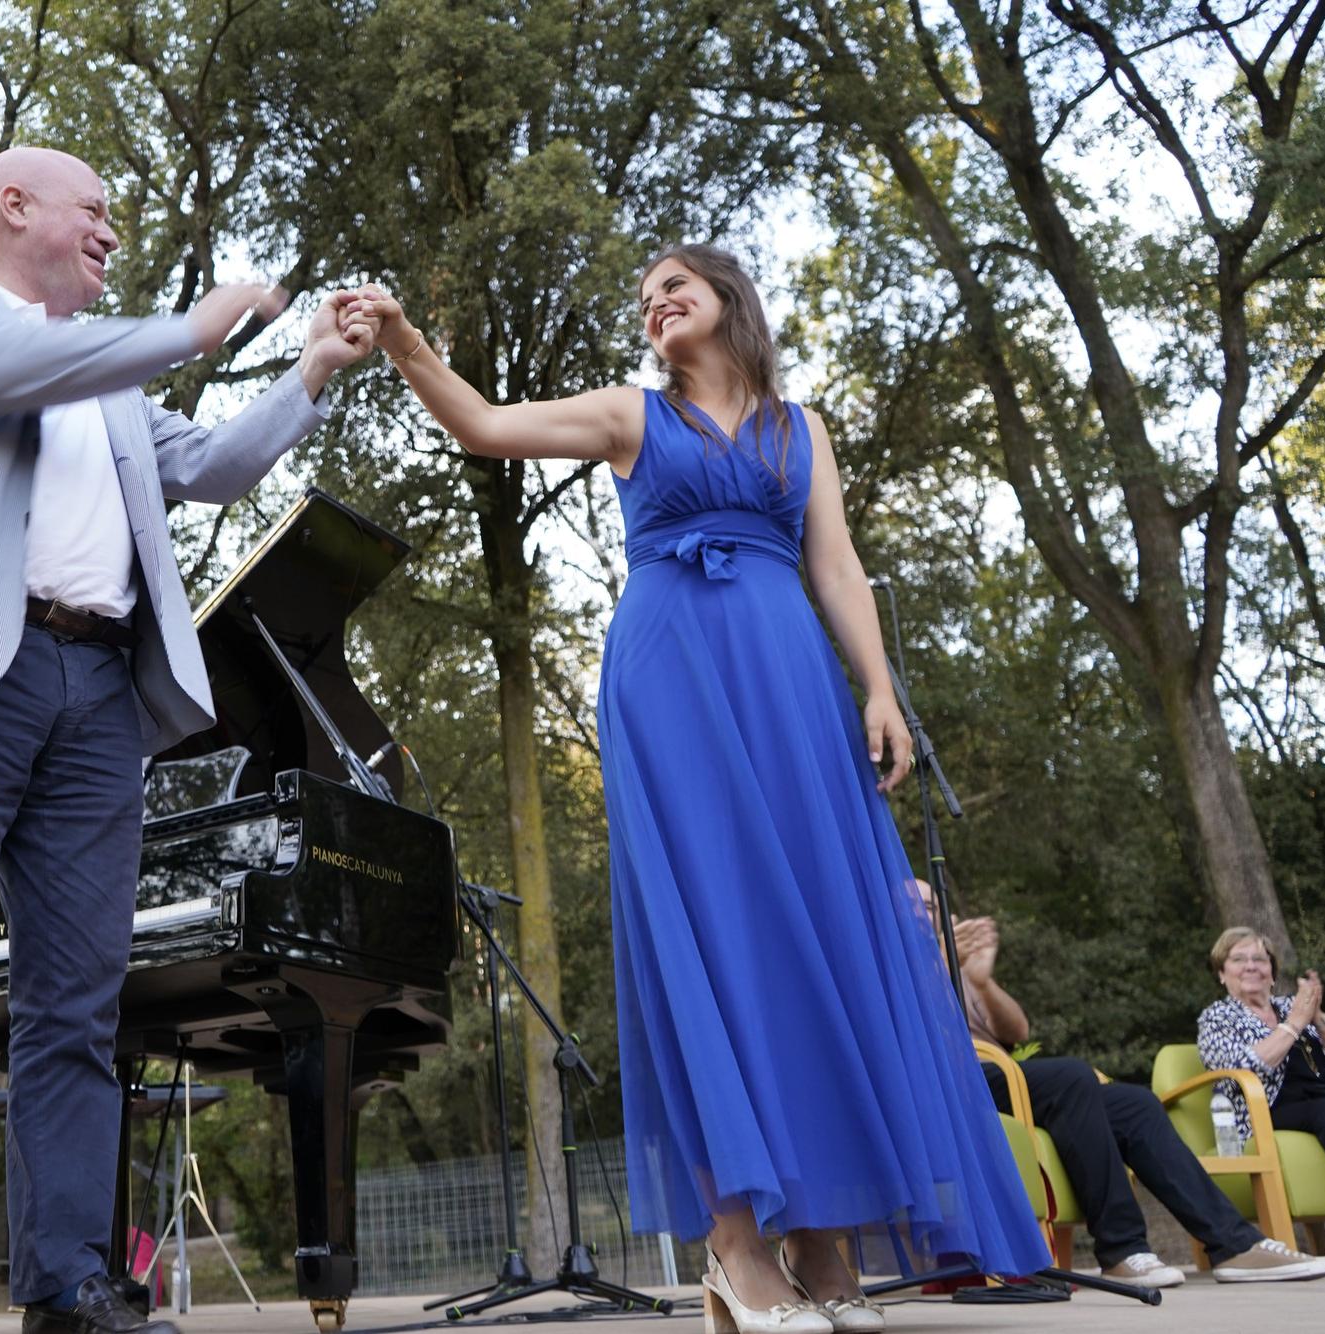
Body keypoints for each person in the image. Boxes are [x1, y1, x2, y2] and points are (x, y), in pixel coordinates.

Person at [354, 246, 1050, 1334]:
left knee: (816, 934)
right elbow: (481, 425)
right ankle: (733, 1242)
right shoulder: (630, 416)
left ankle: (820, 1233)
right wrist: (401, 338)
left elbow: (835, 566)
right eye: (641, 300)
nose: (655, 302)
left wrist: (877, 687)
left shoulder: (797, 426)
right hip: (672, 682)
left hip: (790, 688)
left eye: (674, 284)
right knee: (715, 938)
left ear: (730, 298)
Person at [0, 146, 378, 1334]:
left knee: (76, 1004)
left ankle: (67, 1280)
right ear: (11, 206)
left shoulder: (118, 394)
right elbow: (9, 366)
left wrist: (308, 372)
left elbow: (215, 468)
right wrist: (192, 328)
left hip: (97, 696)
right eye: (95, 208)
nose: (110, 230)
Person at [912, 882, 1325, 1284]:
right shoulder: (901, 963)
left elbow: (1016, 1030)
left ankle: (1234, 1243)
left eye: (932, 906)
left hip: (1000, 1075)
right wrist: (945, 967)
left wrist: (982, 982)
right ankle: (1121, 1249)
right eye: (916, 904)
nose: (926, 913)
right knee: (1072, 1076)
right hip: (948, 1082)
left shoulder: (959, 964)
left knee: (1134, 1103)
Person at [1200, 927, 1325, 1200]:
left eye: (1260, 959)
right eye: (1239, 959)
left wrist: (1318, 1016)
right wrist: (1296, 1023)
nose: (1251, 966)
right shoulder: (1217, 1018)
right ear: (1221, 973)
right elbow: (1240, 1069)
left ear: (1272, 974)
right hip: (1267, 1109)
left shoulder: (1290, 1006)